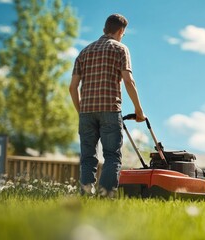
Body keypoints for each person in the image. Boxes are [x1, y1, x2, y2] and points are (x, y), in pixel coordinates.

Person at [69, 13, 145, 198]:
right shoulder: (120, 49)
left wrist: (82, 112)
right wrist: (139, 110)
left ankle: (86, 195)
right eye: (123, 34)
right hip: (110, 109)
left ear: (104, 30)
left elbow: (72, 87)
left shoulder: (84, 52)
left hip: (86, 112)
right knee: (111, 155)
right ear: (120, 31)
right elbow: (128, 81)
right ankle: (105, 196)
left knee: (87, 158)